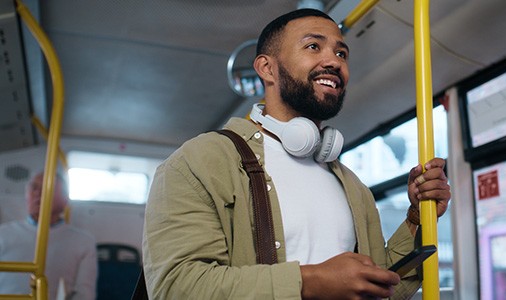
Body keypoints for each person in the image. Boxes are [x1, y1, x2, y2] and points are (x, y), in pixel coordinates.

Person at [142, 8, 451, 299]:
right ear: (267, 68)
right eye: (313, 47)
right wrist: (310, 282)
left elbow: (381, 289)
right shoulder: (201, 161)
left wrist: (415, 219)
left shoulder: (352, 186)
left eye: (341, 53)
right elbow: (176, 287)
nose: (333, 61)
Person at [0, 172, 97, 299]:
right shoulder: (3, 233)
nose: (38, 193)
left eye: (48, 187)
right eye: (34, 187)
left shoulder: (83, 242)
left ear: (65, 200)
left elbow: (84, 295)